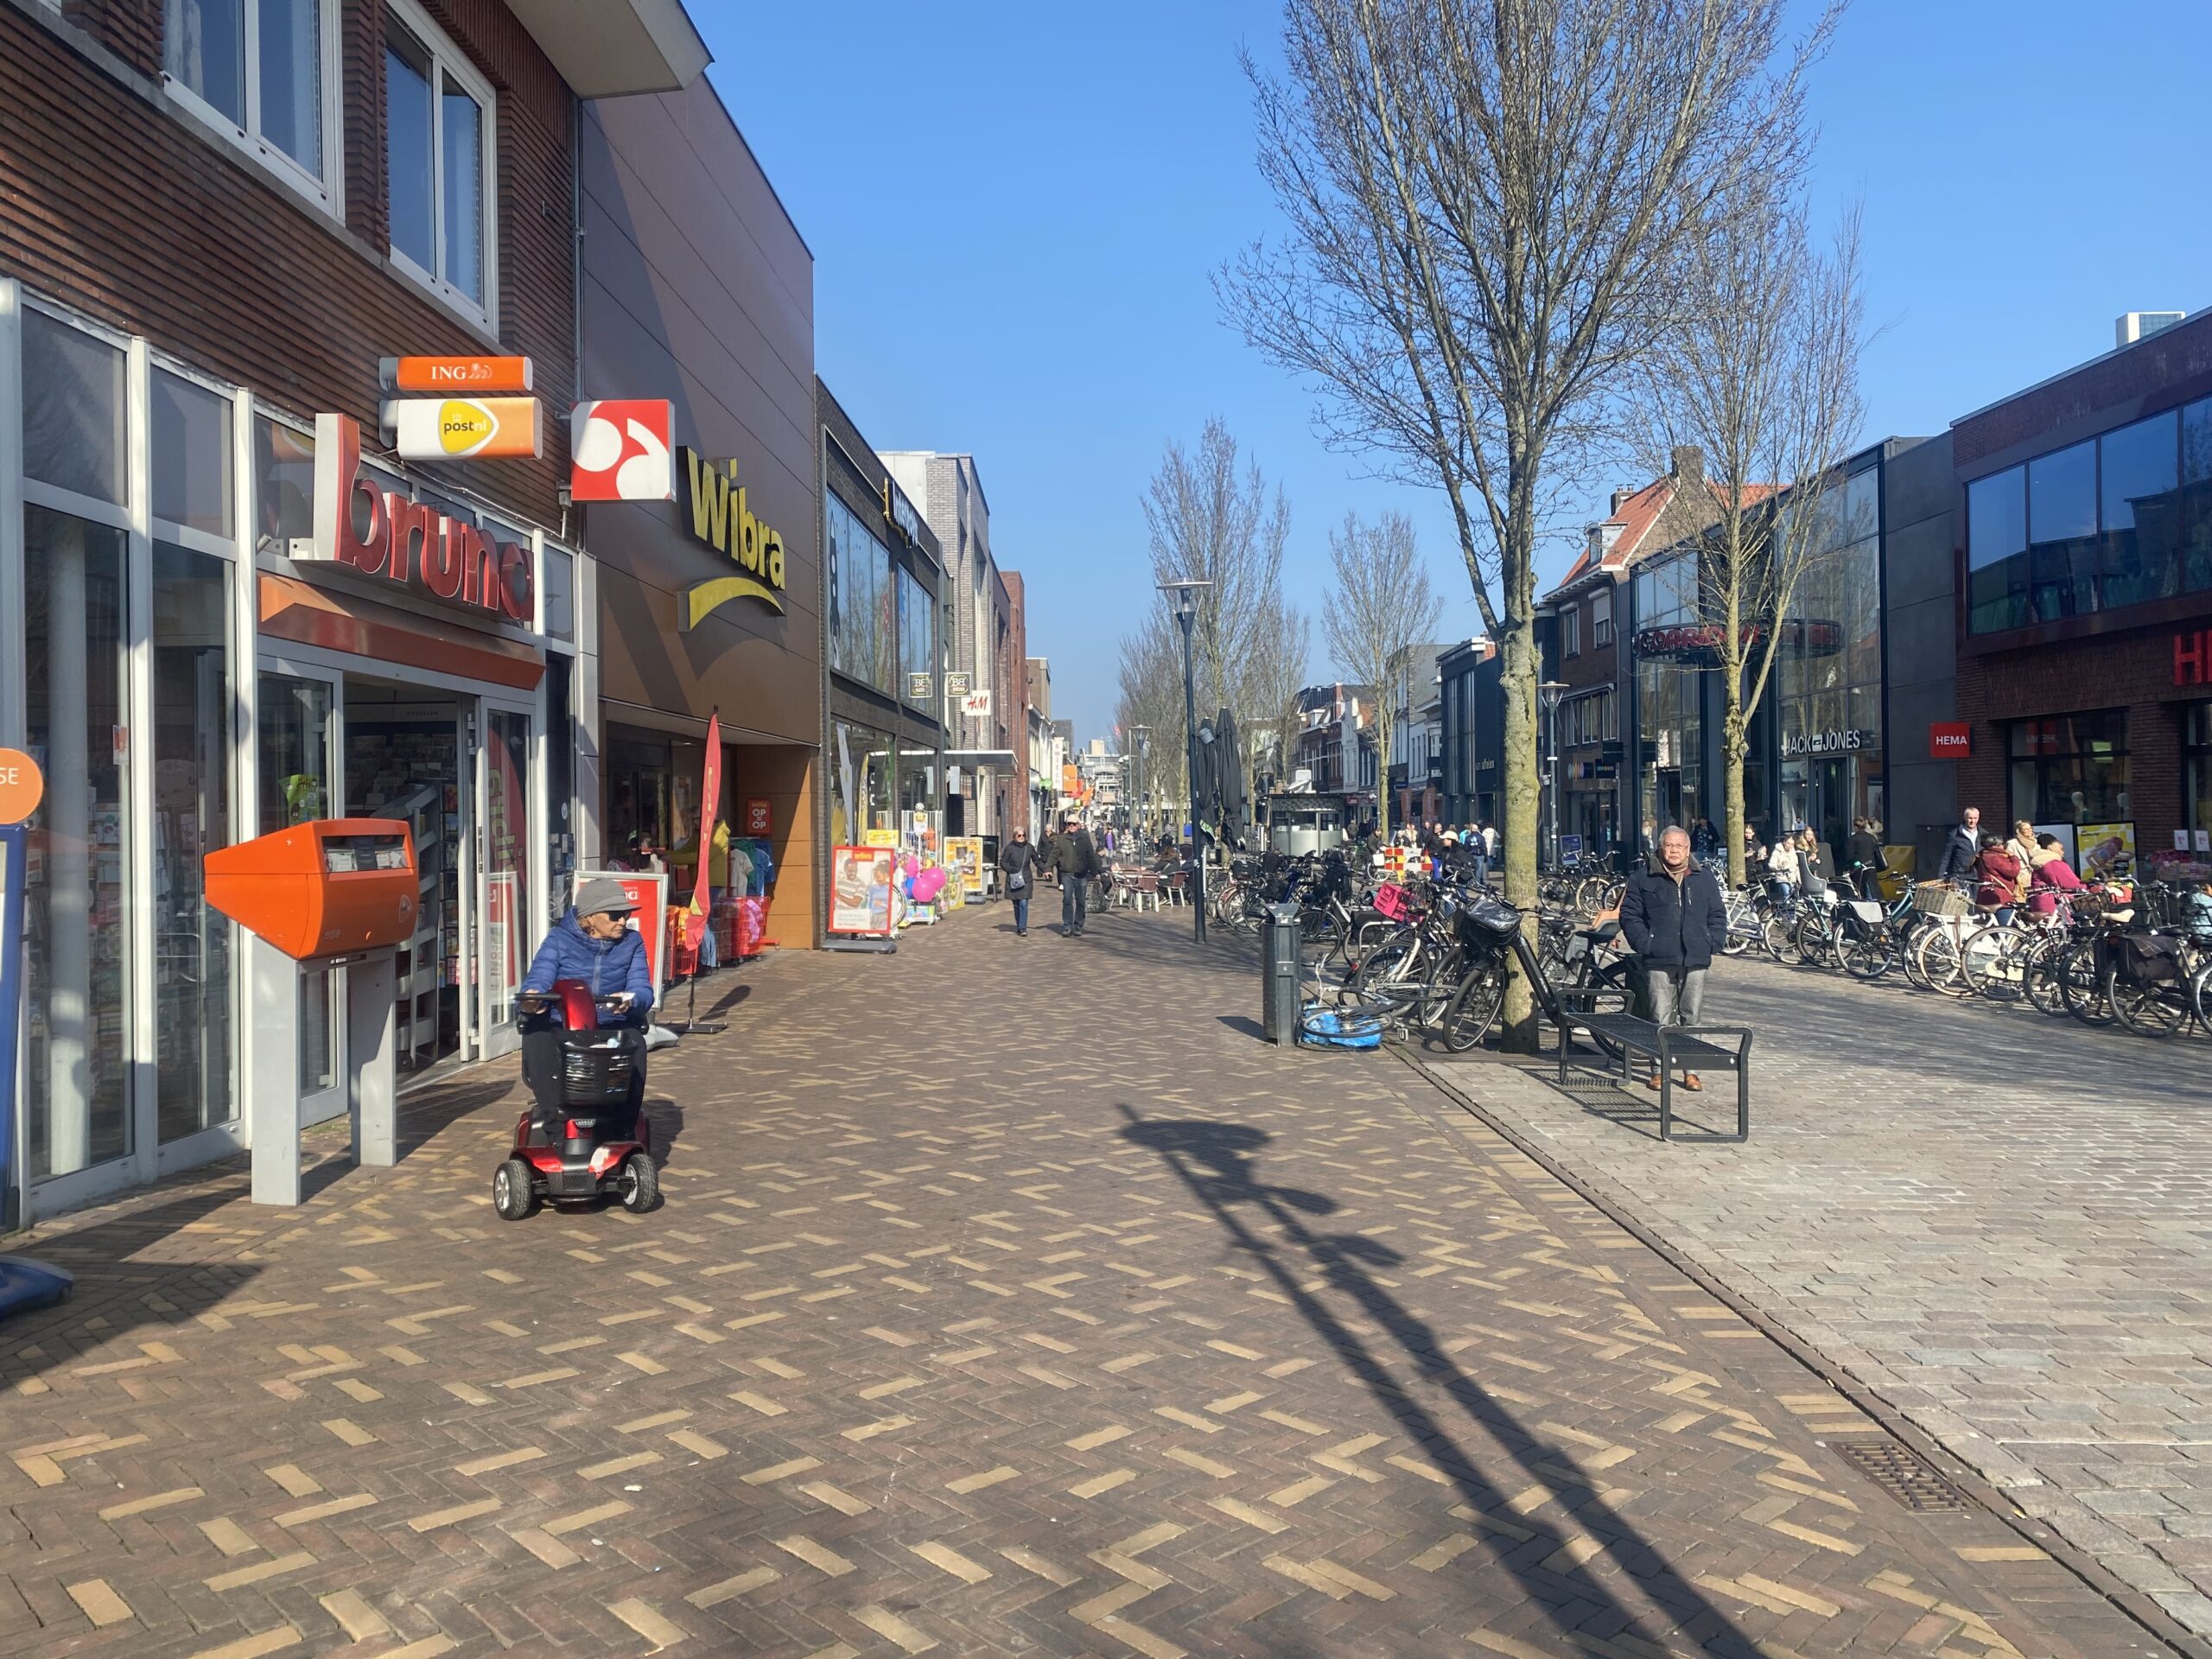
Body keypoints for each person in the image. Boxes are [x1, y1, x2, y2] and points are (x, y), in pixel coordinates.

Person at [518, 878, 655, 1133]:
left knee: (635, 1045)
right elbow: (539, 977)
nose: (623, 921)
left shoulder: (633, 942)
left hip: (611, 1024)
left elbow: (643, 989)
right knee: (536, 1036)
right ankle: (555, 1127)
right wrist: (532, 997)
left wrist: (631, 999)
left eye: (625, 914)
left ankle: (620, 1131)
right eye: (615, 915)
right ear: (590, 917)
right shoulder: (558, 940)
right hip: (563, 1024)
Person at [1619, 825, 1728, 1093]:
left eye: (1680, 846)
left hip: (1696, 957)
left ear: (1688, 850)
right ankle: (1659, 1069)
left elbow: (1717, 914)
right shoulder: (1643, 877)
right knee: (1660, 1015)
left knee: (1691, 1016)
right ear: (1660, 848)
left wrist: (1713, 941)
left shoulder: (1703, 878)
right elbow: (1630, 915)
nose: (1675, 850)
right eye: (1669, 845)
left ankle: (1691, 1071)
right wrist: (1647, 944)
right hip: (1659, 957)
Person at [1046, 815, 1102, 936]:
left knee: (1081, 901)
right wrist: (1048, 868)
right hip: (1067, 874)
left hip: (1081, 875)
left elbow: (1091, 856)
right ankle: (1067, 926)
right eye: (1069, 824)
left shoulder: (1085, 839)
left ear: (1078, 825)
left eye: (1073, 824)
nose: (1071, 826)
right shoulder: (1062, 839)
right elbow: (1054, 854)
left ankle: (1078, 925)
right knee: (1067, 900)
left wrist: (1095, 872)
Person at [2024, 832, 2083, 918]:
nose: (2063, 852)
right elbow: (2071, 883)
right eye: (2061, 848)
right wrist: (2092, 886)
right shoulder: (2053, 863)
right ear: (2050, 847)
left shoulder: (2040, 862)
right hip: (2053, 905)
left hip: (2039, 902)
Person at [1971, 832, 2024, 923]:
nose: (2004, 847)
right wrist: (2014, 858)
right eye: (2002, 844)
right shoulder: (1994, 858)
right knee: (2005, 929)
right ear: (1995, 846)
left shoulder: (1984, 855)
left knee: (1993, 929)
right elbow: (2012, 872)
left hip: (1987, 895)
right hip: (1999, 896)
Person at [999, 824, 1039, 937]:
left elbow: (1036, 860)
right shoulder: (1010, 848)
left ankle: (1022, 928)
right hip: (1013, 879)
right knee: (1016, 904)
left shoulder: (1029, 847)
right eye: (1019, 835)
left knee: (1023, 903)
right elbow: (1003, 862)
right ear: (1014, 837)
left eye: (1023, 835)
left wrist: (1046, 869)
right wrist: (1011, 870)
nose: (1022, 837)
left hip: (1026, 879)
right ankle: (1019, 925)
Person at [1938, 807, 1981, 885]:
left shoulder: (1983, 834)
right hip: (1960, 877)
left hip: (1978, 876)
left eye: (1975, 818)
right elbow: (1946, 857)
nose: (1973, 821)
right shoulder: (1954, 835)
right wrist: (1940, 877)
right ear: (1965, 818)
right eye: (1970, 818)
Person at [1847, 817, 1885, 887]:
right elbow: (1877, 854)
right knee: (1872, 890)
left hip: (1858, 869)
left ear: (1855, 827)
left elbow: (1850, 856)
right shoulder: (1871, 838)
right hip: (1871, 867)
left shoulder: (1852, 839)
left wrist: (1851, 866)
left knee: (1860, 890)